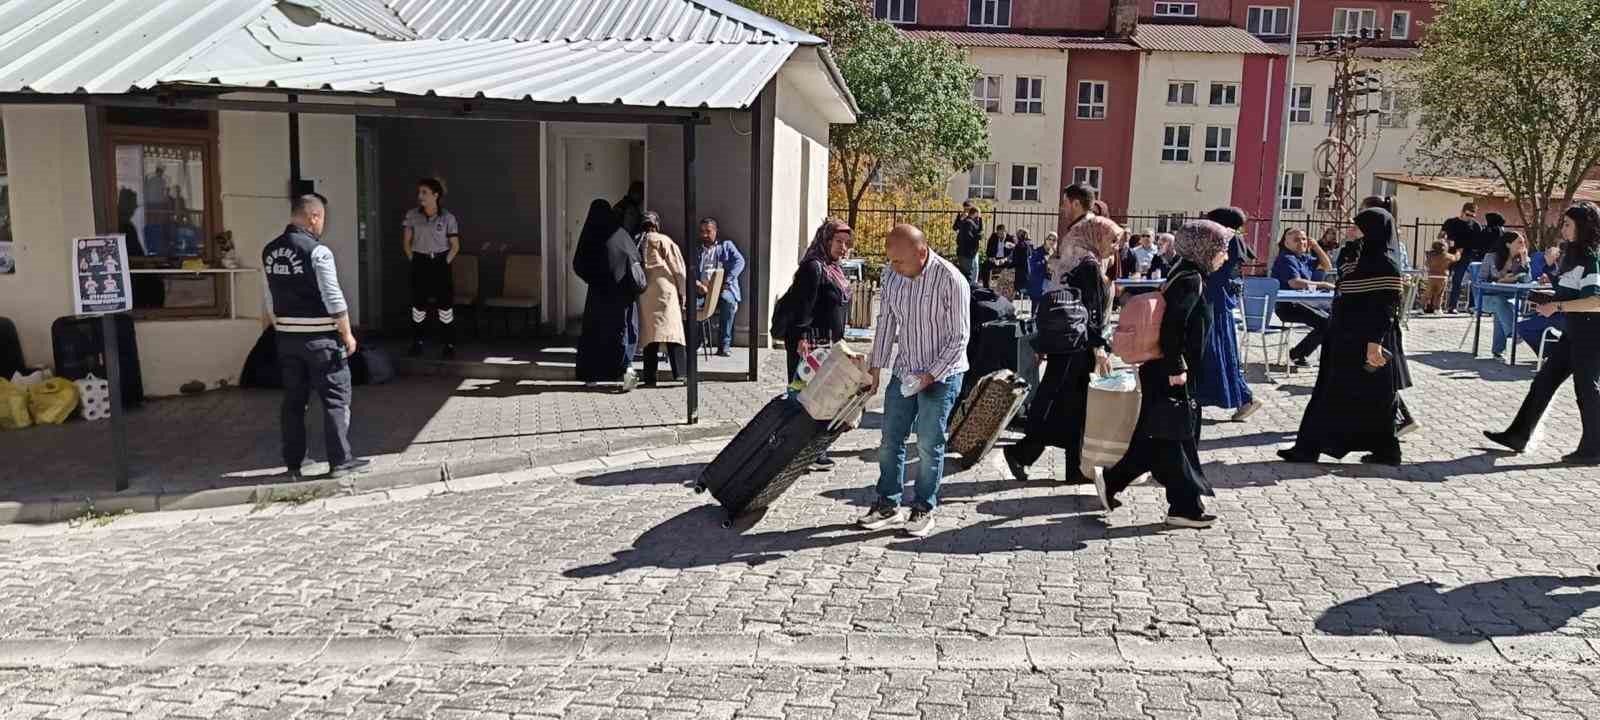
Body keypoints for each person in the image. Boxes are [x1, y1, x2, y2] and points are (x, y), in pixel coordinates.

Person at [1092, 220, 1231, 528]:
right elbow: (1174, 327)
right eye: (1221, 249)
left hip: (1165, 369)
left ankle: (1115, 480)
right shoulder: (1190, 278)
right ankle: (1185, 508)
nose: (1225, 255)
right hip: (1170, 372)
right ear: (1204, 248)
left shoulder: (1185, 272)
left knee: (1160, 437)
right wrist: (1176, 367)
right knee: (1175, 438)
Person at [858, 224, 970, 538]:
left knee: (928, 442)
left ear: (922, 253)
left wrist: (930, 375)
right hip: (905, 369)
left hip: (942, 373)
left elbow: (959, 339)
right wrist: (875, 368)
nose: (893, 268)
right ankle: (887, 504)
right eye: (890, 261)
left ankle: (923, 507)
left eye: (900, 262)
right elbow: (886, 322)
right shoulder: (893, 275)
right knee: (890, 439)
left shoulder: (951, 280)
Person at [1278, 207, 1411, 466]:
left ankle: (1387, 450)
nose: (1350, 230)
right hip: (1342, 336)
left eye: (1357, 227)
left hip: (1369, 341)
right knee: (1329, 391)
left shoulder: (1385, 262)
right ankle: (1308, 447)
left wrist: (1374, 345)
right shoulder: (1355, 256)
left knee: (1376, 397)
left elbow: (1385, 307)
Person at [1003, 214, 1118, 483]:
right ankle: (1026, 453)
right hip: (1078, 347)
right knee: (1066, 404)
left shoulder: (1077, 260)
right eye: (1111, 240)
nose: (1115, 246)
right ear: (1096, 236)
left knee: (1071, 406)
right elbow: (1091, 313)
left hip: (1067, 344)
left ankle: (1059, 464)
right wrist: (1099, 348)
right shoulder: (1089, 266)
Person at [262, 194, 368, 481]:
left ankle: (295, 464)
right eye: (322, 219)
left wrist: (279, 325)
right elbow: (332, 295)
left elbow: (269, 295)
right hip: (321, 338)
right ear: (313, 217)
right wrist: (347, 333)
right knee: (335, 399)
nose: (323, 225)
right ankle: (340, 462)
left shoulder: (269, 251)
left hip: (287, 338)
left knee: (294, 402)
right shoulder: (319, 252)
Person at [1485, 202, 1600, 465]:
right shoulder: (1572, 254)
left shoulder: (1592, 257)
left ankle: (1594, 448)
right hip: (1574, 331)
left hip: (1591, 333)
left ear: (1583, 226)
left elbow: (1595, 300)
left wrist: (1557, 306)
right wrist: (1549, 289)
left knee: (1586, 389)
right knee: (1544, 382)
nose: (1564, 229)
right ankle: (1518, 435)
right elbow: (1571, 291)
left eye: (1568, 224)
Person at [783, 218, 855, 471]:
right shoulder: (813, 268)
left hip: (828, 345)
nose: (843, 248)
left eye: (847, 243)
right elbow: (803, 306)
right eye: (838, 242)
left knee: (824, 398)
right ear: (825, 240)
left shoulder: (832, 267)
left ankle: (814, 450)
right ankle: (799, 451)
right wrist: (801, 339)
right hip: (811, 345)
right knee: (806, 398)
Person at [1195, 207, 1261, 421]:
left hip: (1214, 301)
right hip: (1217, 300)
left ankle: (1245, 398)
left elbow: (1216, 273)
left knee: (1217, 352)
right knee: (1219, 352)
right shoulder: (1233, 239)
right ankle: (1242, 398)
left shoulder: (1228, 241)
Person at [574, 198, 644, 391]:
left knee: (595, 333)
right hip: (623, 296)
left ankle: (591, 375)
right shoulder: (621, 233)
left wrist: (594, 278)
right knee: (624, 332)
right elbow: (636, 258)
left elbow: (578, 264)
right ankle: (626, 370)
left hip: (598, 295)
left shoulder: (590, 236)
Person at [402, 178, 461, 359]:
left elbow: (455, 245)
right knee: (419, 305)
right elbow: (406, 243)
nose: (420, 196)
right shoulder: (412, 215)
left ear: (436, 195)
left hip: (440, 261)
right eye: (420, 192)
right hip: (420, 261)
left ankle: (448, 344)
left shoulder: (448, 217)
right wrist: (415, 259)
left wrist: (445, 262)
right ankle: (417, 343)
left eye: (424, 192)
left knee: (445, 306)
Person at [1271, 227, 1335, 366]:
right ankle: (1298, 354)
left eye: (1304, 239)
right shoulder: (1286, 258)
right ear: (1287, 243)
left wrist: (1316, 246)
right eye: (1296, 240)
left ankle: (1304, 353)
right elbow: (1295, 283)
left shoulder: (1303, 258)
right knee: (1326, 323)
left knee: (1334, 318)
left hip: (1305, 302)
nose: (1301, 243)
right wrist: (1323, 284)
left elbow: (1327, 266)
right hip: (1288, 306)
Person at [636, 212, 687, 386]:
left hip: (645, 292)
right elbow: (678, 269)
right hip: (665, 290)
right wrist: (683, 292)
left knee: (650, 335)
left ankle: (650, 378)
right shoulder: (663, 240)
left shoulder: (637, 240)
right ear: (657, 224)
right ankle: (681, 373)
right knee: (673, 332)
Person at [695, 218, 746, 356]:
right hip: (702, 290)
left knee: (728, 302)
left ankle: (724, 345)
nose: (704, 235)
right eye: (702, 231)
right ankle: (698, 341)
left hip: (723, 289)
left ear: (716, 231)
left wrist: (727, 282)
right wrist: (697, 283)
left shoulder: (726, 246)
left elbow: (740, 262)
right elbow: (688, 269)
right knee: (693, 305)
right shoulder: (696, 249)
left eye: (708, 231)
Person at [1480, 230, 1531, 359]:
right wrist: (1500, 281)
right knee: (1500, 302)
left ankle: (1498, 351)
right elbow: (1480, 280)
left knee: (1502, 306)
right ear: (1508, 244)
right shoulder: (1491, 257)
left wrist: (1525, 261)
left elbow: (1527, 282)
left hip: (1511, 298)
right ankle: (1514, 333)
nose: (1523, 245)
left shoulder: (1521, 260)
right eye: (1520, 242)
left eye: (1524, 242)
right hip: (1487, 297)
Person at [1441, 202, 1484, 313]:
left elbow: (1478, 244)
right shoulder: (1450, 222)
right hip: (1448, 254)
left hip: (1465, 256)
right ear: (1462, 212)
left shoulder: (1475, 226)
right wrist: (1446, 241)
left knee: (1457, 280)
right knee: (1442, 279)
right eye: (1467, 214)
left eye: (1472, 216)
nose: (1469, 218)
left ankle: (1452, 306)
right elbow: (1441, 236)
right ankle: (1435, 305)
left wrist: (1467, 249)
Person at [952, 201, 984, 287]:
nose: (966, 210)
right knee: (967, 268)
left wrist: (979, 218)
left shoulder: (976, 217)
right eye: (964, 208)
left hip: (973, 247)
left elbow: (979, 229)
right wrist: (961, 220)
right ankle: (969, 286)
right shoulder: (963, 217)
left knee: (975, 265)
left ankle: (974, 283)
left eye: (968, 208)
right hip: (966, 246)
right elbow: (955, 227)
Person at [1421, 240, 1458, 314]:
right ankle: (1437, 309)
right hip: (1442, 277)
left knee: (1428, 293)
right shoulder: (1447, 256)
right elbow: (1455, 258)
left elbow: (1427, 264)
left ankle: (1421, 307)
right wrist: (1458, 252)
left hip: (1431, 276)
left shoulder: (1431, 256)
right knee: (1439, 294)